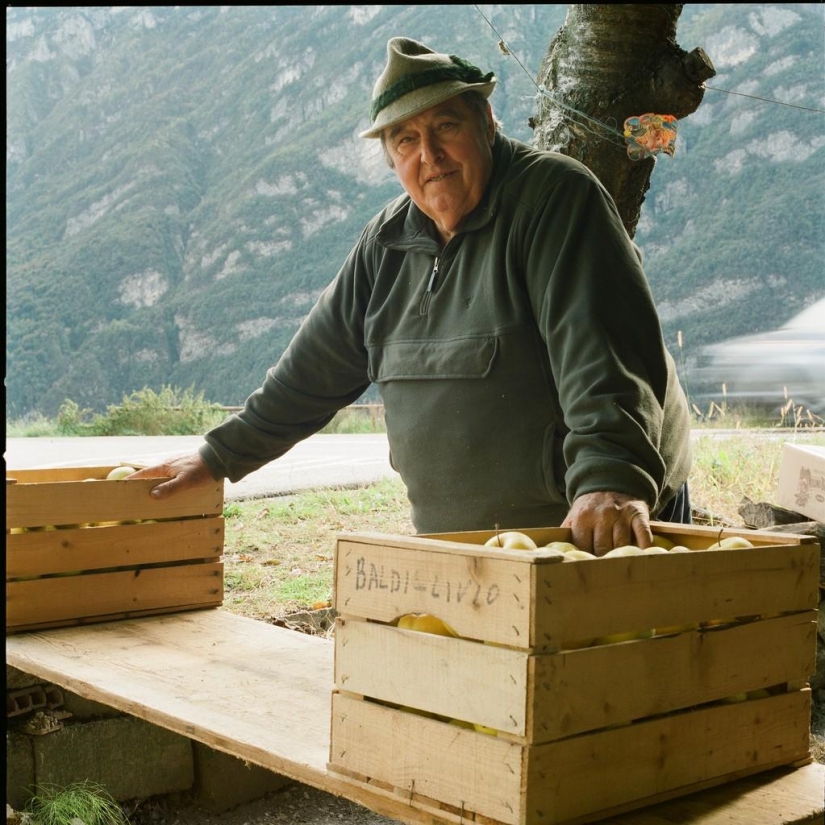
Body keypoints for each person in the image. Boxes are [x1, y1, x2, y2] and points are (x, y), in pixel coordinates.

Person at [131, 37, 692, 555]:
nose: (430, 154)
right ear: (391, 158)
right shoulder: (386, 243)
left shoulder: (554, 200)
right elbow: (310, 373)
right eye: (406, 140)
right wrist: (218, 456)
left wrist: (609, 476)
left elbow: (601, 352)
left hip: (587, 529)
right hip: (461, 546)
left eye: (447, 126)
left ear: (487, 123)